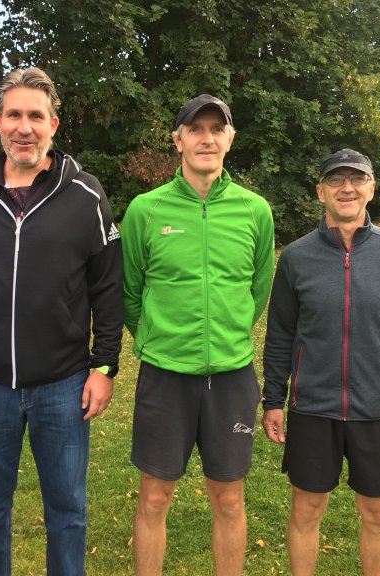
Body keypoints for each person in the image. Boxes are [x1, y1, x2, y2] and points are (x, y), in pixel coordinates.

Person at [0, 67, 123, 576]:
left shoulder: (85, 194)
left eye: (35, 116)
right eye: (14, 115)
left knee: (68, 512)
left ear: (54, 125)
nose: (25, 127)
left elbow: (108, 285)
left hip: (63, 384)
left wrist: (104, 366)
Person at [122, 94, 275, 575]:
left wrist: (226, 333)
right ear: (178, 140)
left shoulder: (255, 211)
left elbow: (258, 289)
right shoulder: (145, 210)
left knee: (228, 498)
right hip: (165, 376)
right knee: (153, 496)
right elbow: (130, 291)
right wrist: (160, 338)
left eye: (216, 129)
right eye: (195, 129)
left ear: (230, 139)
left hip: (232, 378)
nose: (206, 138)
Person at [262, 148, 380, 576]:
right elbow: (280, 332)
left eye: (357, 179)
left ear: (371, 188)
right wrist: (273, 400)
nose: (347, 188)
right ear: (321, 192)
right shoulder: (296, 257)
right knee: (306, 510)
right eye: (336, 180)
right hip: (313, 409)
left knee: (378, 513)